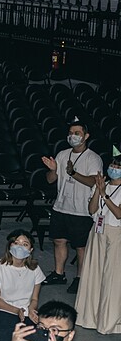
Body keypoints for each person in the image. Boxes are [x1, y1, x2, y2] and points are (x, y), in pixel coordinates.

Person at [41, 121, 102, 292]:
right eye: (70, 132)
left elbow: (93, 181)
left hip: (81, 210)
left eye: (76, 133)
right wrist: (53, 169)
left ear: (86, 136)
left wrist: (73, 173)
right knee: (59, 241)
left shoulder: (93, 158)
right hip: (61, 206)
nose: (72, 136)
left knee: (80, 246)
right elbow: (50, 180)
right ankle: (59, 273)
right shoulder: (62, 154)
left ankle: (79, 278)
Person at [77, 156, 121, 333]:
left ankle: (108, 321)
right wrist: (98, 190)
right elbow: (92, 209)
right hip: (97, 230)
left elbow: (118, 214)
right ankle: (90, 317)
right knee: (93, 273)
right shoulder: (101, 184)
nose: (113, 168)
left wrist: (105, 195)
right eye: (112, 165)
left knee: (112, 276)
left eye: (117, 166)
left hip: (116, 232)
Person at [0, 231, 45, 341]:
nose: (20, 247)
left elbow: (34, 299)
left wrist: (31, 310)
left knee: (37, 335)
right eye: (16, 243)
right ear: (10, 246)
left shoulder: (35, 269)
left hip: (25, 310)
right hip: (1, 309)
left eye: (25, 244)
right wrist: (16, 311)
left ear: (31, 250)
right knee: (10, 334)